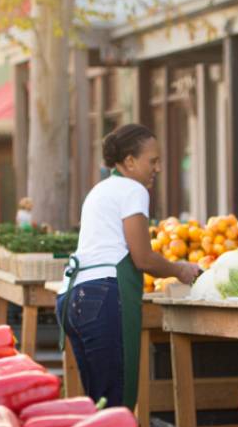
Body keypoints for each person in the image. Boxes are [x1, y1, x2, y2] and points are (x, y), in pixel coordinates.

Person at [56, 125, 201, 410]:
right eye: (153, 161)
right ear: (130, 161)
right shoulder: (133, 190)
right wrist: (179, 269)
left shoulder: (100, 190)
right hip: (103, 297)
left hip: (72, 298)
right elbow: (143, 258)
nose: (157, 168)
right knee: (116, 406)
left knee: (98, 403)